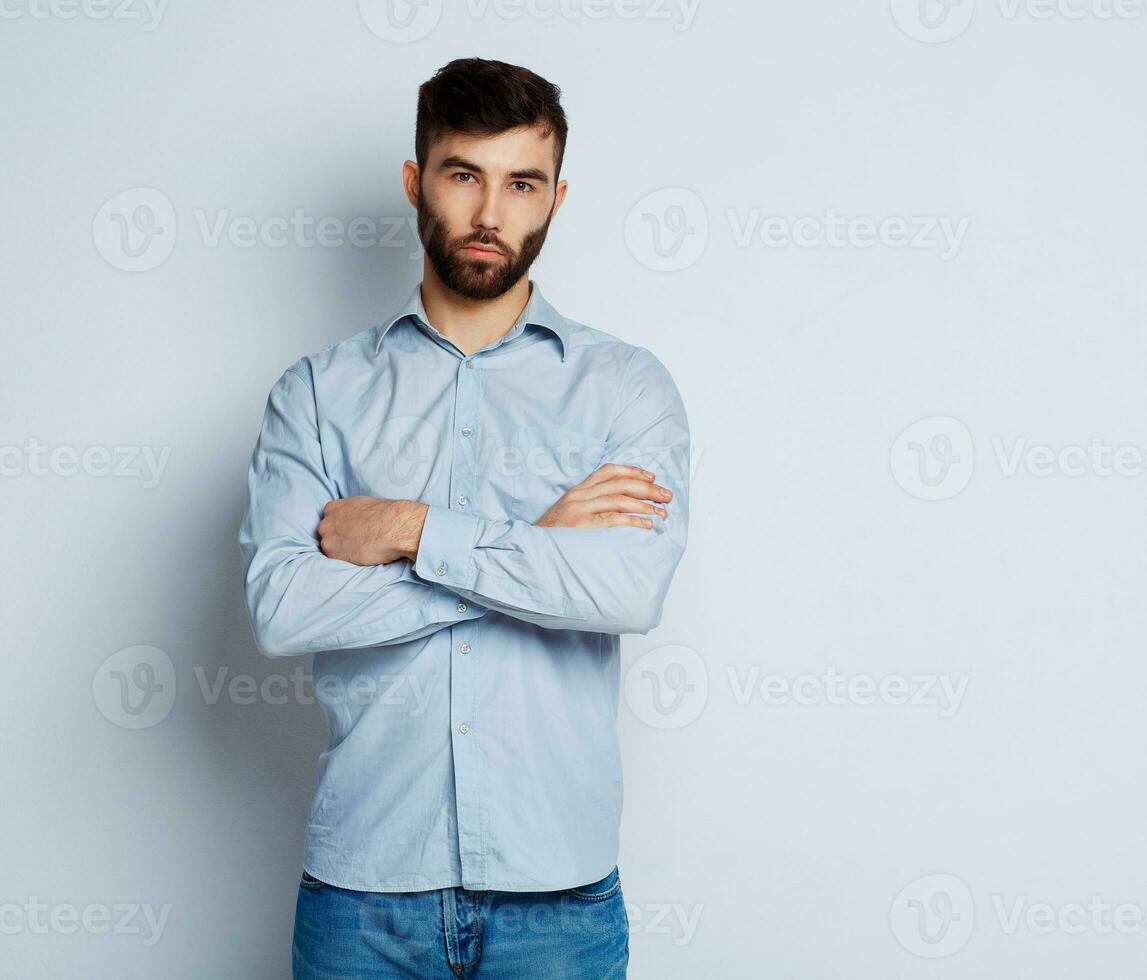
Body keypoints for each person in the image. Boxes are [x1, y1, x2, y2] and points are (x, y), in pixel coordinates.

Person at [238, 56, 690, 979]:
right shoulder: (320, 393)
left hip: (558, 897)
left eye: (521, 183)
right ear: (416, 182)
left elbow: (628, 589)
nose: (490, 214)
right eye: (463, 175)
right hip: (363, 892)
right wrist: (537, 550)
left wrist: (410, 530)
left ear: (556, 198)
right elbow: (284, 609)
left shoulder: (623, 388)